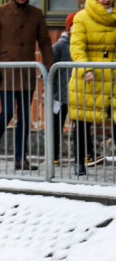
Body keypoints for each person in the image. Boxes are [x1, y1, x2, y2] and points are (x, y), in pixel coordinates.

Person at [0, 0, 54, 171]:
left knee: (24, 115)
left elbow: (45, 42)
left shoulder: (36, 14)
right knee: (6, 112)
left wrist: (50, 67)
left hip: (26, 72)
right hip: (6, 71)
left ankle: (21, 158)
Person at [69, 0, 116, 174]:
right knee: (82, 120)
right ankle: (80, 161)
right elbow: (77, 47)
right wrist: (86, 68)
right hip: (90, 77)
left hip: (113, 75)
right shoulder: (82, 17)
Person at [52, 12, 75, 173]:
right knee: (56, 126)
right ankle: (54, 155)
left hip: (74, 94)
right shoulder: (59, 47)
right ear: (68, 28)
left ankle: (84, 154)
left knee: (79, 125)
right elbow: (49, 70)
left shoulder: (79, 45)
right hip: (59, 96)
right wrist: (51, 93)